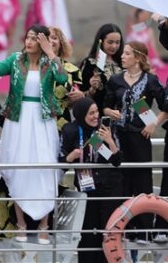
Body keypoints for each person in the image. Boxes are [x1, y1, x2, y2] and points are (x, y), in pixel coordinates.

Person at [0, 25, 67, 244]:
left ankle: (45, 224)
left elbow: (63, 79)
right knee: (18, 167)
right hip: (18, 120)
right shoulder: (16, 60)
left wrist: (51, 52)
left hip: (43, 121)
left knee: (45, 168)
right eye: (28, 37)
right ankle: (21, 224)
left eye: (35, 39)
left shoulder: (49, 62)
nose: (29, 41)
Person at [103, 41, 166, 243]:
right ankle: (125, 230)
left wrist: (154, 123)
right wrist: (108, 111)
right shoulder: (115, 80)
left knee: (142, 182)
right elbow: (105, 105)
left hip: (141, 137)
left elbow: (165, 105)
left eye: (127, 53)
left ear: (138, 57)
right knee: (122, 182)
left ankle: (144, 231)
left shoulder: (151, 80)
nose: (122, 56)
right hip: (119, 138)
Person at [59, 97, 122, 263]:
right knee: (88, 234)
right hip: (86, 190)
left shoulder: (104, 127)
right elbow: (60, 163)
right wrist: (70, 157)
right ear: (81, 115)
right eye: (91, 113)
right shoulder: (70, 130)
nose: (96, 116)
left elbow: (115, 161)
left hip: (109, 189)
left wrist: (109, 140)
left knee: (106, 234)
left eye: (96, 112)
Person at [80, 24, 124, 112]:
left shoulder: (124, 62)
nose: (114, 46)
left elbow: (136, 94)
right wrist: (92, 89)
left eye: (117, 42)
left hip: (124, 117)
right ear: (101, 41)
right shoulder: (90, 63)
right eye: (110, 42)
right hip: (97, 117)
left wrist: (149, 120)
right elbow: (80, 97)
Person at [49, 27, 83, 127]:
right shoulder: (33, 67)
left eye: (54, 38)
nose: (51, 41)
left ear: (61, 44)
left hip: (61, 123)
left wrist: (79, 96)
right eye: (47, 38)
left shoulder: (73, 70)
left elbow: (74, 102)